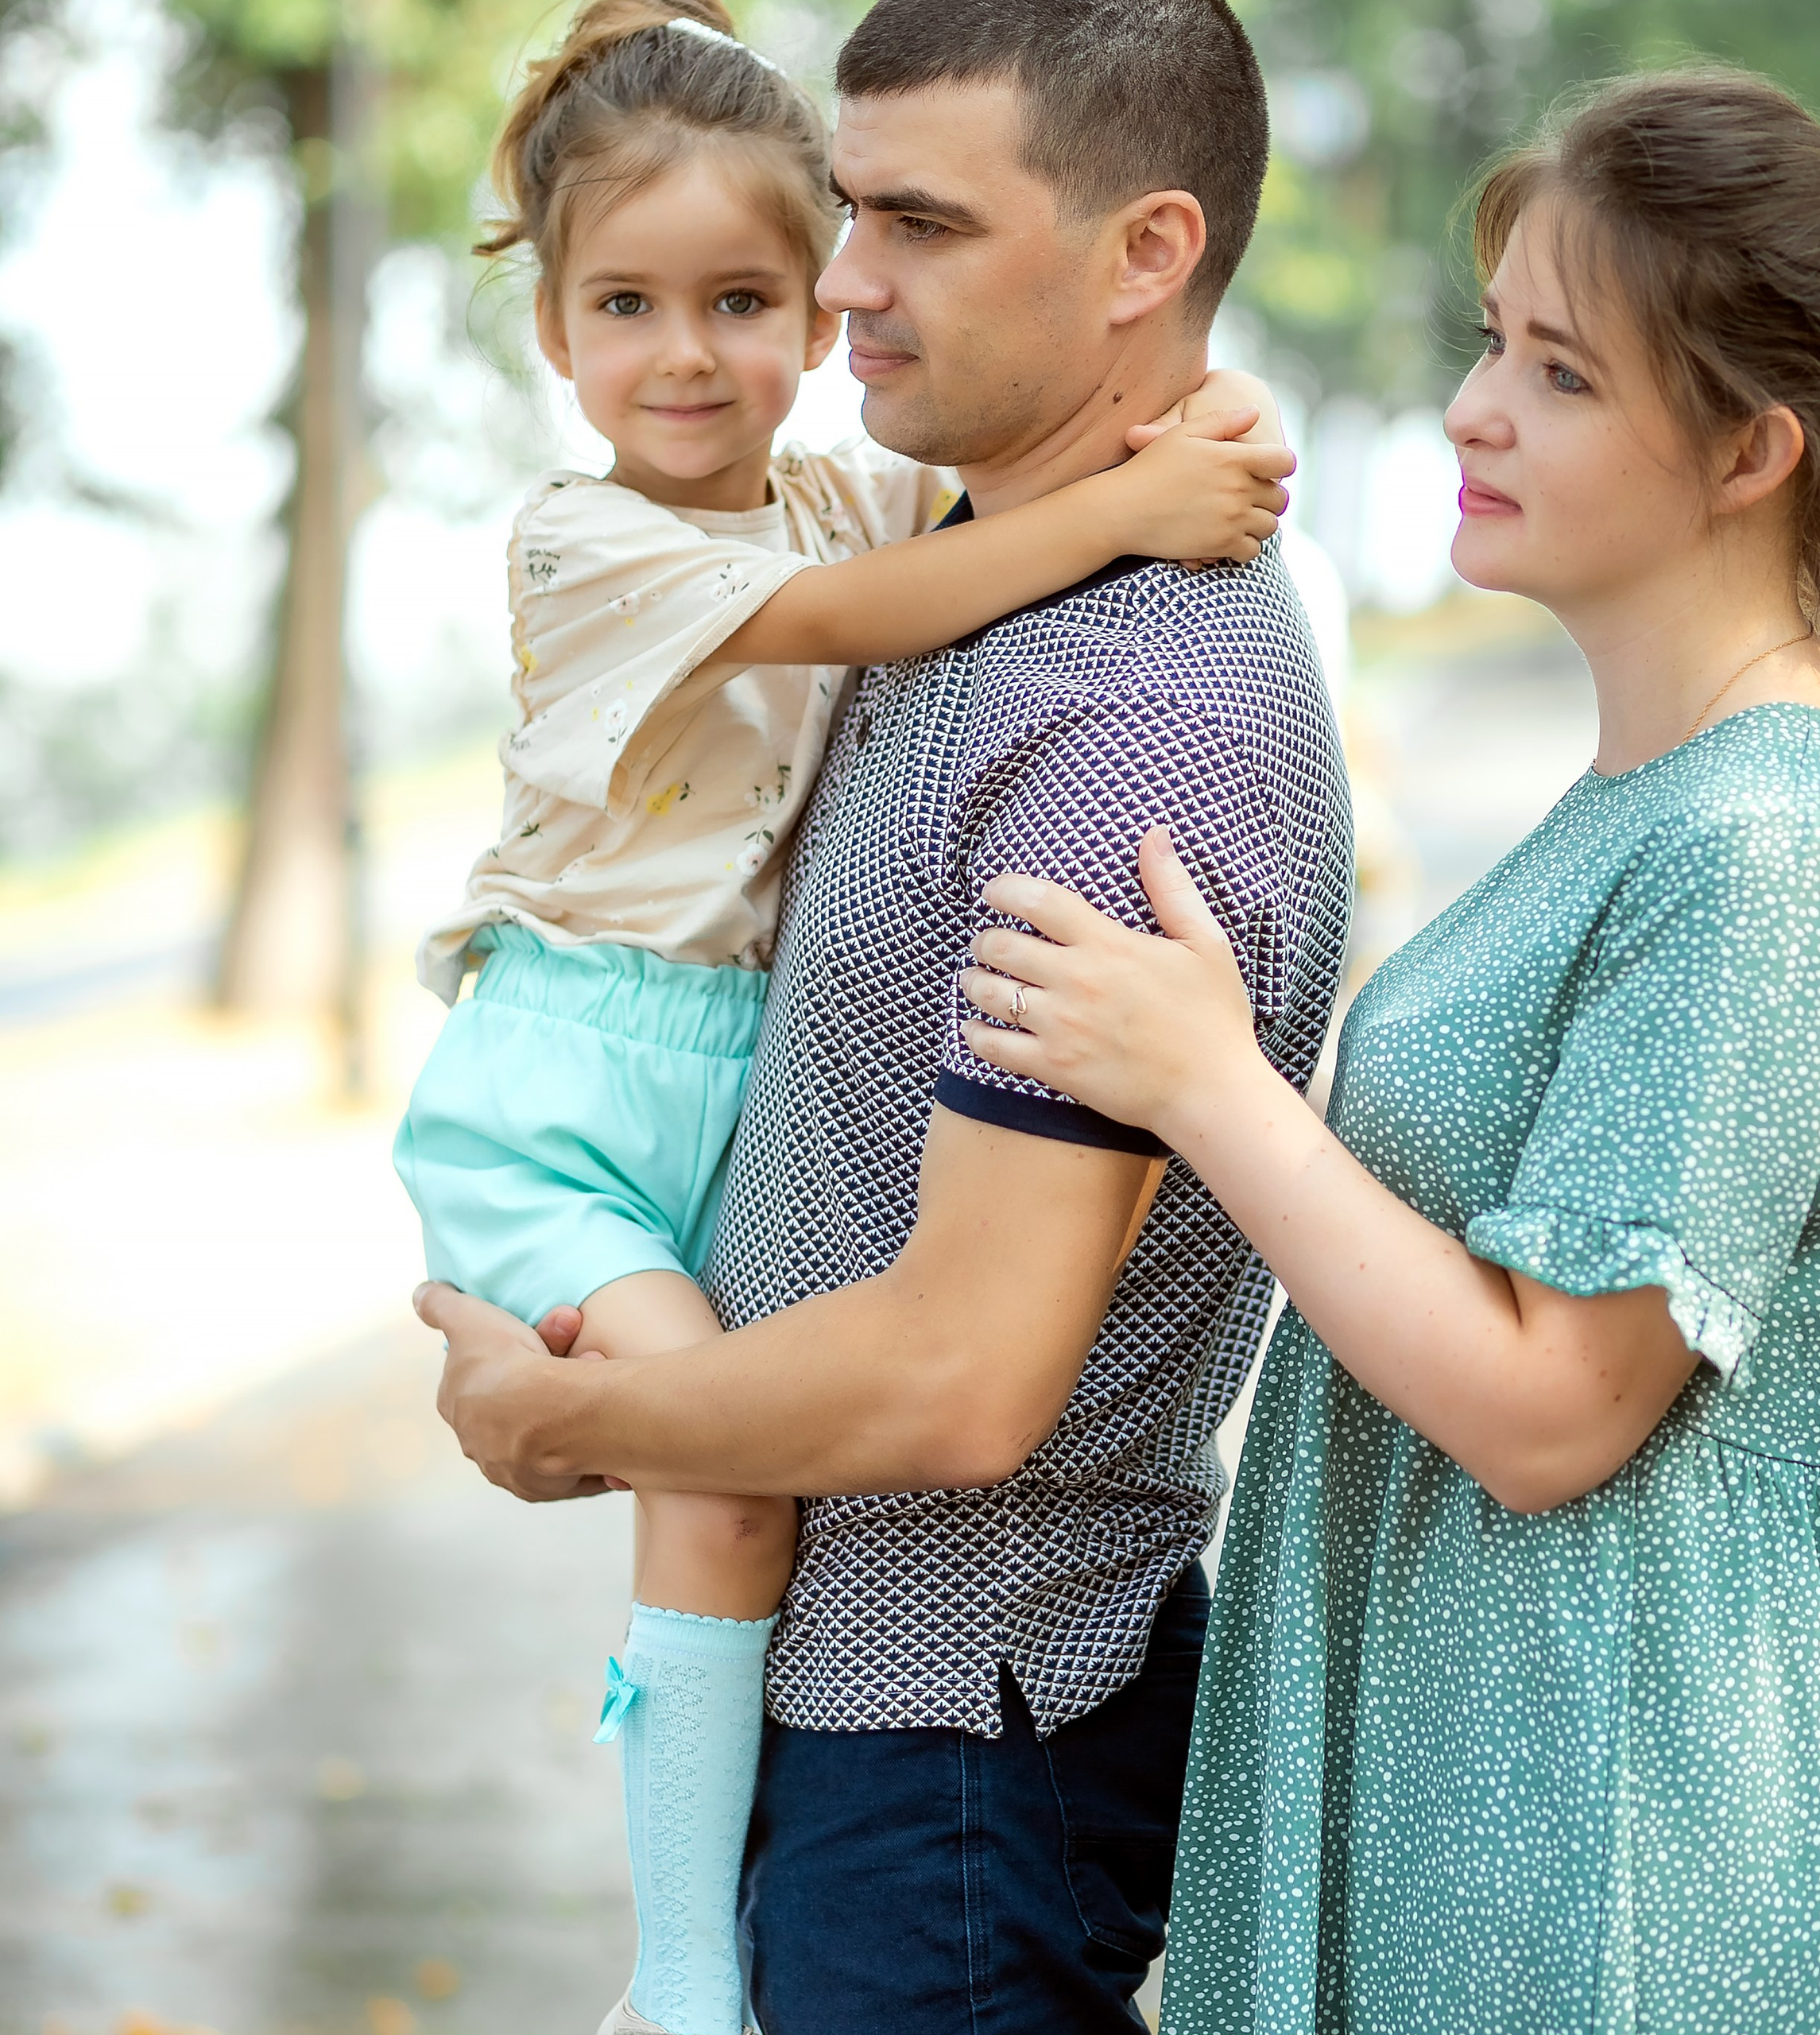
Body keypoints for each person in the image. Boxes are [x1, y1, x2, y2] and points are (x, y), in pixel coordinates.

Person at [952, 68, 1820, 2035]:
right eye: (1487, 342)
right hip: (1504, 1782)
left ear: (1747, 452)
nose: (1470, 410)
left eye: (1559, 372)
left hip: (1629, 1846)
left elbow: (1551, 1408)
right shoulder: (1649, 796)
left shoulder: (1762, 846)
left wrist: (1209, 1085)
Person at [413, 2, 1354, 2030]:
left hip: (950, 1746)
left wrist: (562, 1417)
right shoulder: (958, 560)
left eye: (914, 223)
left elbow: (961, 1372)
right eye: (844, 213)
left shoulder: (1125, 715)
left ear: (1146, 252)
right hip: (861, 1710)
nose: (841, 285)